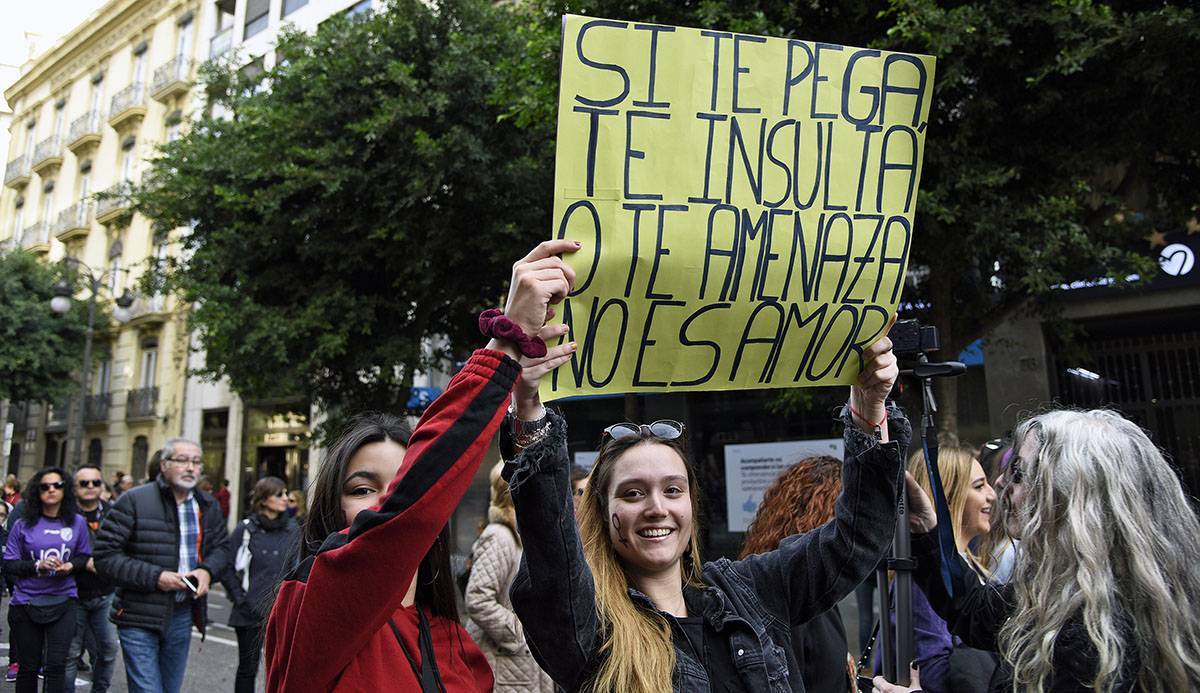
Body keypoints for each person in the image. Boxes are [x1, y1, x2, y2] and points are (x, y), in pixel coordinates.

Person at [506, 319, 914, 691]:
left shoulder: (750, 590)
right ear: (602, 513)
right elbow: (551, 567)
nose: (656, 507)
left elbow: (854, 541)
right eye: (632, 493)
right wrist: (528, 410)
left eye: (672, 490)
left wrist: (867, 411)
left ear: (691, 505)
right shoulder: (591, 628)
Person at [264, 239, 579, 691]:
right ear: (329, 508)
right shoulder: (312, 605)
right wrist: (505, 342)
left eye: (397, 486)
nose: (386, 503)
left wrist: (525, 404)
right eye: (363, 489)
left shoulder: (455, 644)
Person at [874, 409, 1200, 693]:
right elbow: (973, 610)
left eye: (1019, 471)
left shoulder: (1096, 637)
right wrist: (930, 532)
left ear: (1066, 497)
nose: (1000, 482)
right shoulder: (1062, 593)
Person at [93, 438, 231, 693]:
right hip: (138, 612)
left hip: (182, 613)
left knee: (170, 688)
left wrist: (207, 571)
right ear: (164, 465)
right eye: (182, 460)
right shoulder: (134, 500)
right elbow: (105, 557)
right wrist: (157, 577)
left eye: (196, 462)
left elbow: (223, 549)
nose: (190, 467)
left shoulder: (207, 505)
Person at [738, 455, 853, 693]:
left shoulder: (818, 583)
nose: (850, 533)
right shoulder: (789, 592)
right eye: (843, 518)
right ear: (817, 515)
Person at [890, 446, 997, 693]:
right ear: (948, 497)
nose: (992, 495)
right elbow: (934, 674)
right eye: (979, 486)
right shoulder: (926, 580)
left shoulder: (969, 564)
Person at [464, 462, 554, 692]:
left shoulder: (522, 533)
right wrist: (523, 634)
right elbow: (477, 599)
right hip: (506, 667)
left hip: (521, 667)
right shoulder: (500, 536)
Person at [3, 467, 91, 692]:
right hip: (26, 603)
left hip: (64, 601)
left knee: (55, 666)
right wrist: (37, 566)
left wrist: (71, 565)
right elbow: (9, 564)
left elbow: (84, 557)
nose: (51, 490)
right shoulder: (22, 525)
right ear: (36, 491)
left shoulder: (78, 523)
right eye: (45, 486)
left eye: (57, 485)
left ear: (65, 490)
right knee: (28, 667)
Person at [220, 477, 298, 693]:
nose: (285, 498)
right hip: (248, 612)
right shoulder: (246, 529)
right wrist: (240, 600)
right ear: (264, 500)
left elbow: (297, 568)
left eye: (285, 493)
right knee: (247, 669)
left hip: (280, 611)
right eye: (279, 494)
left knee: (281, 669)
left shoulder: (293, 529)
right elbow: (227, 568)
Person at [64, 464, 118, 693]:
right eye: (83, 483)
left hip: (105, 594)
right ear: (74, 488)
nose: (90, 487)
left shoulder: (114, 513)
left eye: (95, 482)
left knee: (108, 651)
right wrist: (83, 561)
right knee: (70, 654)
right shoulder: (64, 515)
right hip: (72, 594)